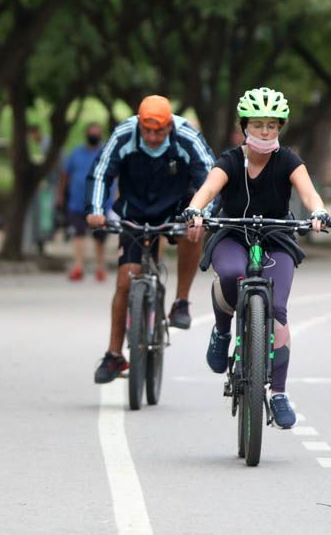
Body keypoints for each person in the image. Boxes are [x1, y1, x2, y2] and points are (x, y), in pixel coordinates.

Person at [183, 87, 331, 430]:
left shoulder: (289, 160)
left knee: (277, 310)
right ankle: (222, 332)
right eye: (258, 124)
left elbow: (309, 193)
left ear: (281, 127)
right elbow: (208, 188)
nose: (265, 132)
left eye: (272, 125)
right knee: (233, 275)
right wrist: (195, 209)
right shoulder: (231, 160)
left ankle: (278, 393)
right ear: (244, 125)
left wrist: (319, 212)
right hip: (232, 233)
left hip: (276, 238)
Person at [87, 95, 215, 384]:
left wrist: (201, 215)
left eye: (159, 131)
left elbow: (210, 177)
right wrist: (95, 211)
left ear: (169, 125)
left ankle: (181, 301)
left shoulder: (186, 137)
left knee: (194, 233)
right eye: (147, 131)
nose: (153, 137)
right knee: (124, 279)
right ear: (140, 125)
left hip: (178, 208)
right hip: (135, 211)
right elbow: (100, 173)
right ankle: (114, 354)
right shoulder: (124, 134)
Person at [58, 122, 111, 282]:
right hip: (77, 202)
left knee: (99, 237)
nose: (94, 135)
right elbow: (65, 174)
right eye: (91, 132)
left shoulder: (106, 153)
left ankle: (100, 268)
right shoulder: (76, 153)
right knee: (78, 234)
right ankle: (78, 267)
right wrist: (60, 194)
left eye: (97, 132)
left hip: (100, 203)